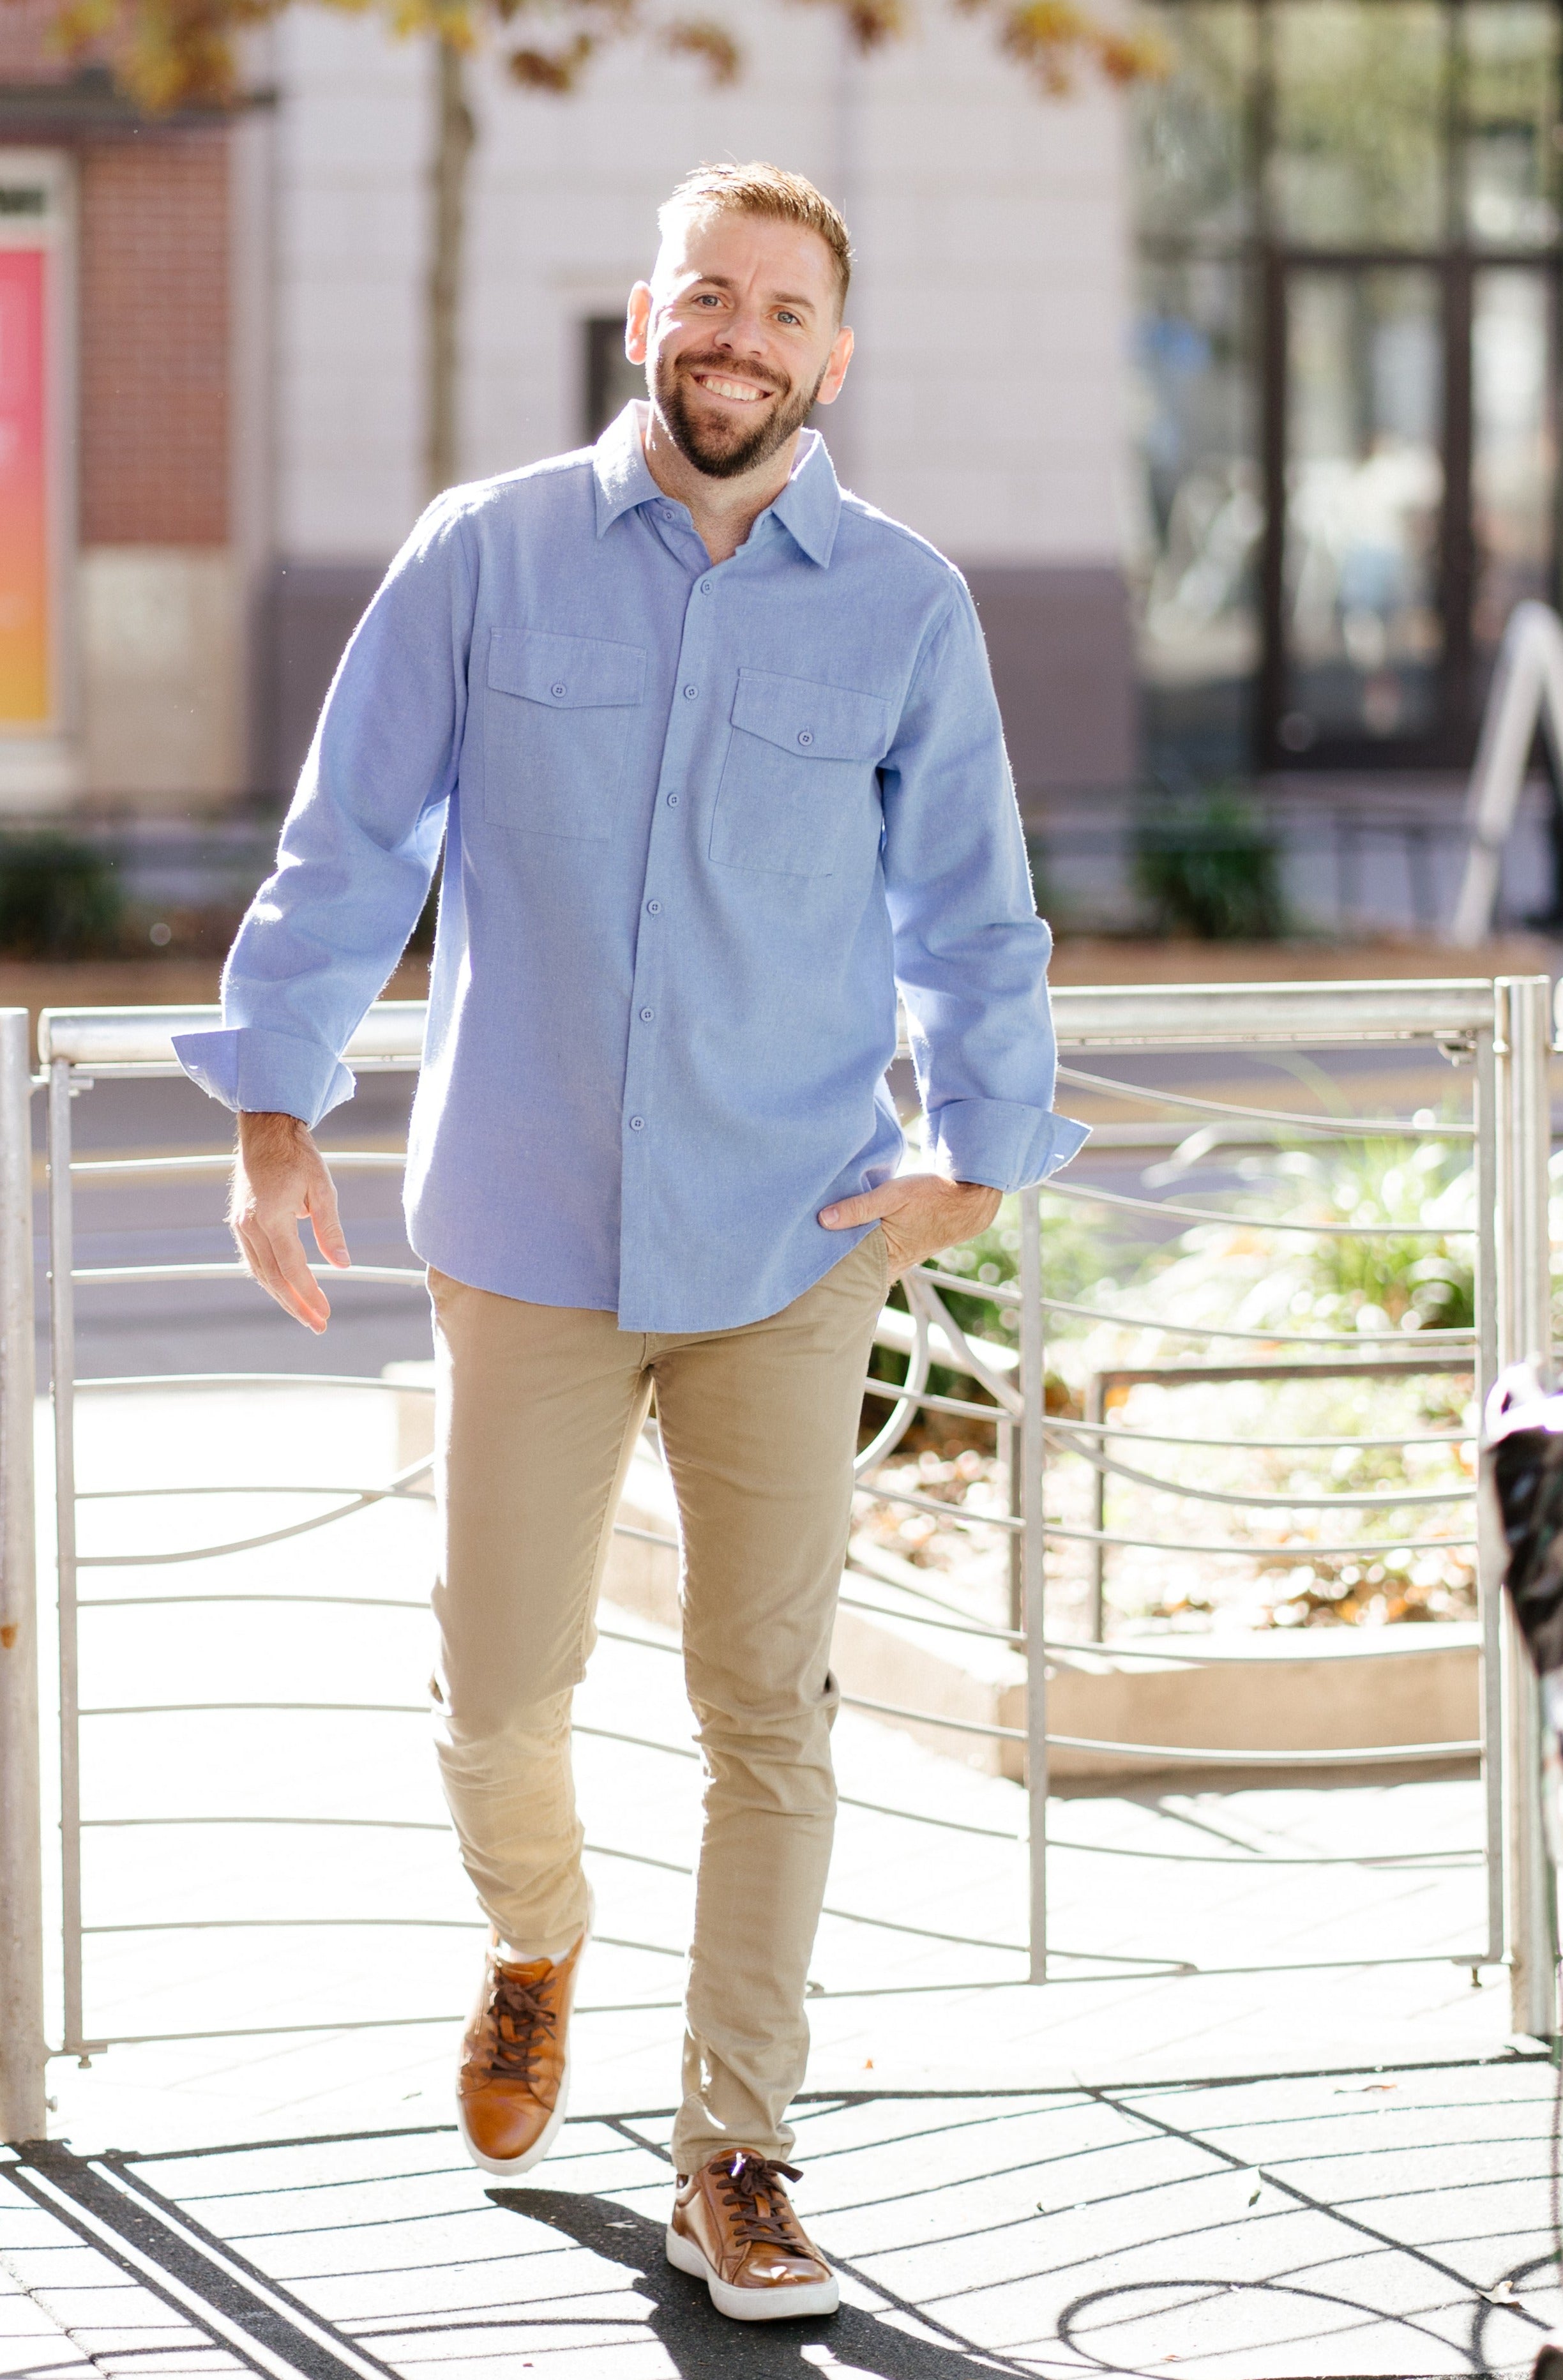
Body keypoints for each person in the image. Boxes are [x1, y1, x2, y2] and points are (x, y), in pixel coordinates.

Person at [174, 159, 1085, 2324]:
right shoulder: (482, 557)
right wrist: (275, 1119)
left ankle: (737, 2149)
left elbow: (973, 905)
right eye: (708, 296)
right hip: (525, 1224)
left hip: (791, 1233)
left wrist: (982, 1151)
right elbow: (349, 843)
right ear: (644, 318)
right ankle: (536, 1939)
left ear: (831, 358)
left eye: (782, 310)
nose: (738, 337)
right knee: (501, 1692)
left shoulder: (907, 605)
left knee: (770, 1715)